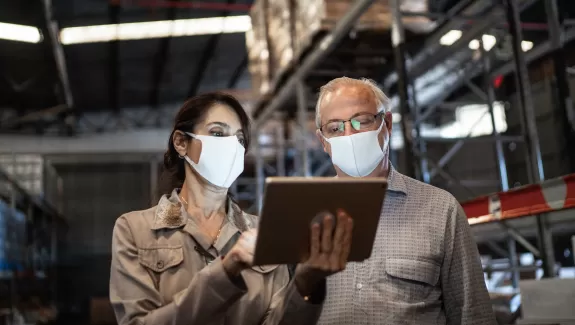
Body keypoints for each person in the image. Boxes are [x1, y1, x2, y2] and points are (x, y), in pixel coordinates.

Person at [109, 92, 354, 325]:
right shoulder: (135, 229)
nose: (231, 146)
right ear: (181, 143)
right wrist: (226, 271)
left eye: (239, 139)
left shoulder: (263, 231)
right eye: (217, 133)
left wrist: (304, 282)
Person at [313, 77, 496, 324]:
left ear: (386, 124)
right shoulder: (301, 214)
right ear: (323, 141)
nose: (349, 135)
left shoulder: (441, 210)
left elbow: (473, 314)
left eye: (362, 121)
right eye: (335, 128)